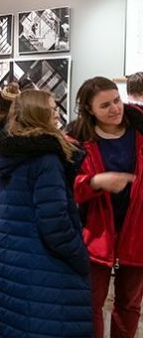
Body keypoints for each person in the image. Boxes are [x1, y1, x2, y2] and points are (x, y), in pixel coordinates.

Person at [0, 89, 92, 338]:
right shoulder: (47, 159)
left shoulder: (9, 154)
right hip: (45, 268)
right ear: (39, 115)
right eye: (53, 109)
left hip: (8, 264)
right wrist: (80, 257)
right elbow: (55, 224)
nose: (57, 115)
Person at [71, 77, 143, 338]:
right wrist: (95, 182)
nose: (115, 108)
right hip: (95, 233)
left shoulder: (140, 130)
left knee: (130, 304)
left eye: (116, 100)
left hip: (137, 231)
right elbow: (67, 187)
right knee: (90, 303)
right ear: (89, 109)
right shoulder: (76, 140)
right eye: (105, 105)